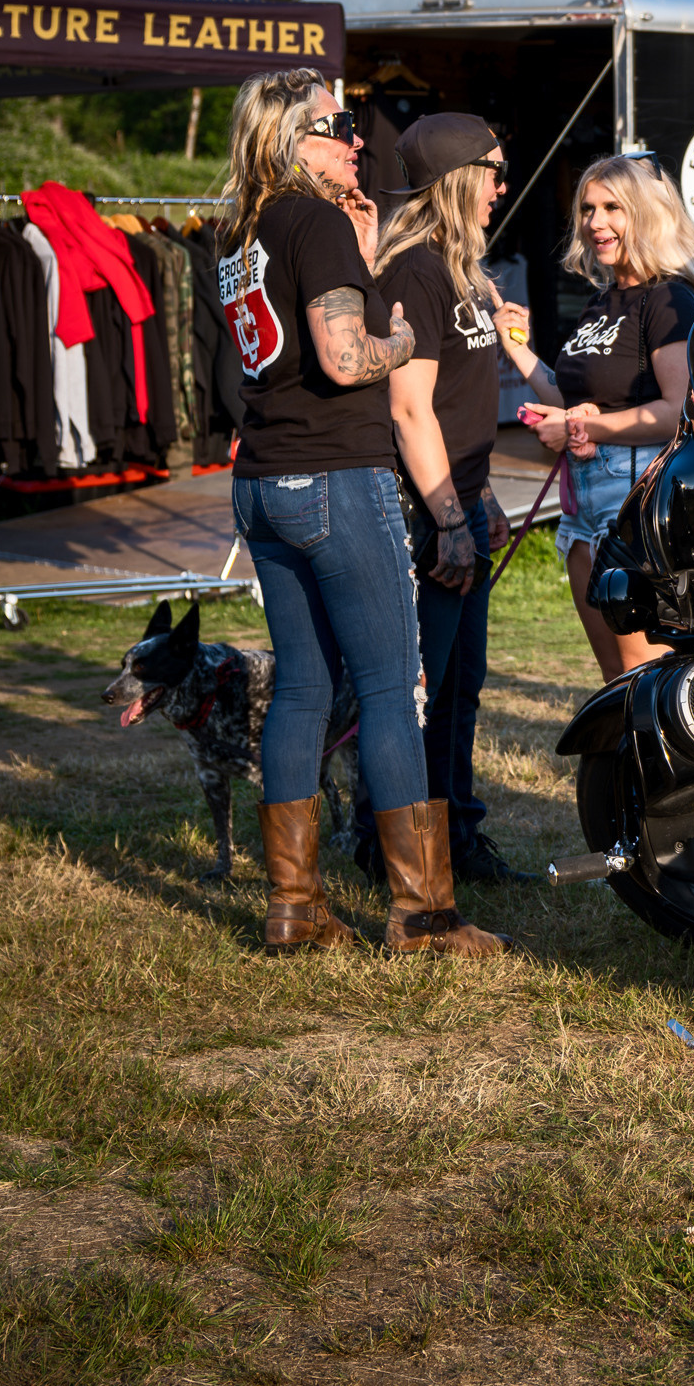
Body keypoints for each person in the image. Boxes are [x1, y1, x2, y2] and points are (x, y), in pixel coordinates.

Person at [218, 69, 508, 958]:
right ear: (288, 140)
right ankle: (423, 914)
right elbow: (347, 361)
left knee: (302, 688)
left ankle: (292, 904)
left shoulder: (239, 231)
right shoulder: (310, 219)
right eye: (335, 125)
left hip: (263, 479)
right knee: (391, 687)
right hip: (335, 475)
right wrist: (406, 339)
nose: (355, 139)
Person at [346, 113, 534, 886]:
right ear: (458, 179)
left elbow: (459, 402)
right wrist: (449, 518)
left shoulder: (460, 271)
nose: (502, 185)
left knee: (462, 686)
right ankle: (388, 847)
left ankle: (456, 837)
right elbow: (410, 407)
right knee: (415, 695)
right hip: (424, 512)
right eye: (492, 170)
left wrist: (479, 492)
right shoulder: (416, 272)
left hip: (460, 499)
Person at [495, 155, 694, 680]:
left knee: (651, 680)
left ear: (644, 213)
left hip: (635, 495)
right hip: (583, 507)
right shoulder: (602, 301)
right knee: (616, 682)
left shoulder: (669, 299)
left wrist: (582, 427)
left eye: (612, 207)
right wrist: (518, 351)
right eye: (588, 208)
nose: (595, 222)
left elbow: (676, 413)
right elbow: (570, 395)